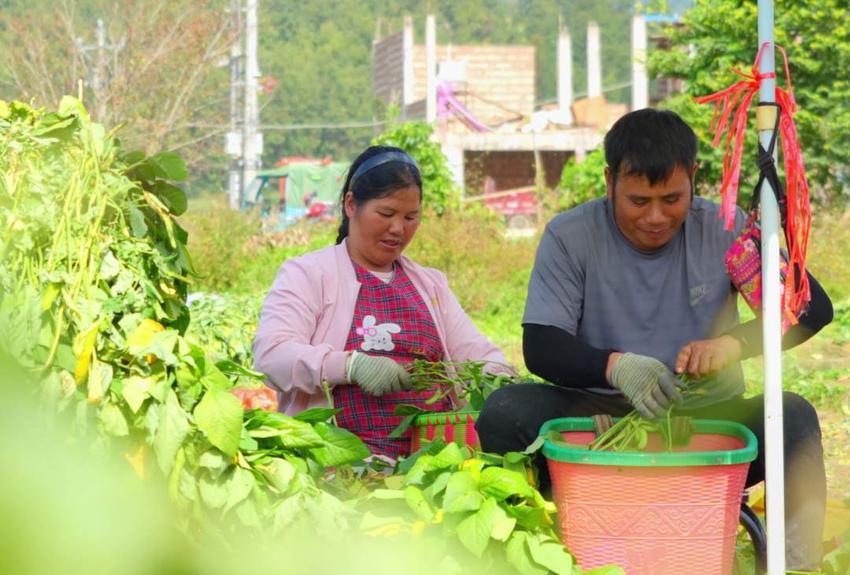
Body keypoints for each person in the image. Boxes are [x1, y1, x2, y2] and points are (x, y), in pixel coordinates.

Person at [475, 109, 833, 570]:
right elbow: (541, 346)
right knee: (505, 412)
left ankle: (796, 565)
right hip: (599, 421)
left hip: (707, 419)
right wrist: (616, 366)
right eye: (638, 200)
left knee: (794, 418)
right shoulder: (570, 237)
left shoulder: (727, 229)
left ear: (694, 179)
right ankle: (514, 556)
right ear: (609, 181)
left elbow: (809, 307)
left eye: (672, 198)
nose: (657, 217)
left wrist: (732, 346)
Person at [253, 145, 509, 459]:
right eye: (386, 214)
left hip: (429, 463)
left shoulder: (431, 285)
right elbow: (272, 357)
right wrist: (349, 366)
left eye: (411, 217)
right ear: (351, 204)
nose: (398, 228)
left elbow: (478, 355)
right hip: (338, 465)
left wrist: (506, 382)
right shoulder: (308, 274)